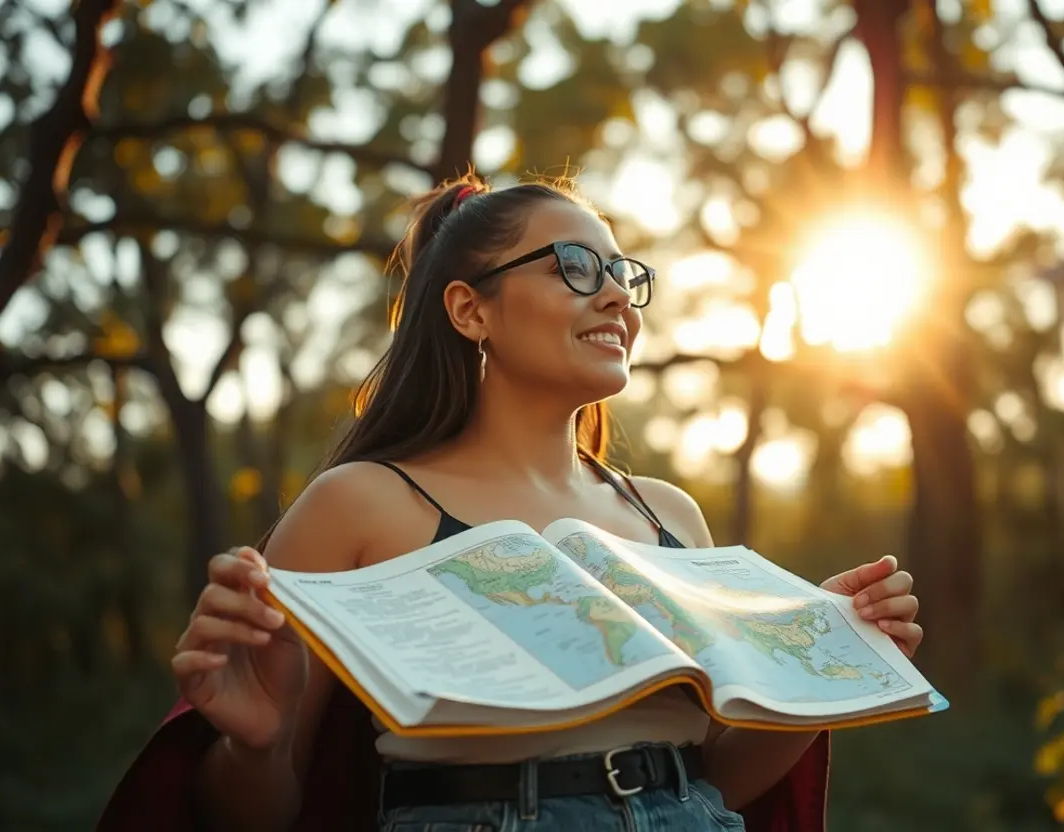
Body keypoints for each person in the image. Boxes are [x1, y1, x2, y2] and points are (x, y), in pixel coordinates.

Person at [97, 175, 923, 832]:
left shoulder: (669, 515)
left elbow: (720, 782)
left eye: (624, 276)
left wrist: (820, 665)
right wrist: (258, 746)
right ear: (469, 308)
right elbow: (261, 811)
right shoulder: (361, 505)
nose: (617, 300)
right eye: (575, 267)